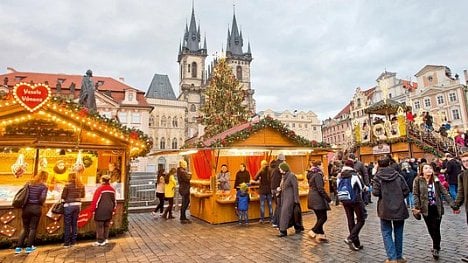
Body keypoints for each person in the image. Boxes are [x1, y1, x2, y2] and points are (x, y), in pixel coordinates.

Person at [413, 164, 456, 260]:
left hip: (436, 208)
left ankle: (436, 247)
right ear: (422, 171)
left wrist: (453, 205)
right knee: (430, 228)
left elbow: (444, 192)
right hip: (425, 208)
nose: (429, 170)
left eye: (430, 168)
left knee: (436, 228)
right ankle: (436, 244)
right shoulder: (418, 180)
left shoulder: (436, 180)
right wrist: (417, 207)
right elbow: (415, 194)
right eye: (426, 168)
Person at [372, 157, 409, 263]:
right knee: (398, 232)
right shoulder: (398, 175)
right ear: (389, 163)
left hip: (385, 208)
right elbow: (406, 190)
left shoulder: (377, 177)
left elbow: (375, 193)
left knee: (386, 232)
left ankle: (392, 258)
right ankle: (399, 256)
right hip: (399, 207)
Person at [15, 171, 48, 254]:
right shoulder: (43, 186)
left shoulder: (29, 183)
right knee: (33, 228)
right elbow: (42, 198)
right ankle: (29, 247)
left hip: (26, 208)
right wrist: (41, 203)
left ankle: (18, 247)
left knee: (25, 228)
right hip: (36, 208)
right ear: (45, 177)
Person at [338, 160, 366, 251]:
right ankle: (350, 238)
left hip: (344, 199)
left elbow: (337, 187)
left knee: (350, 220)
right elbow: (362, 188)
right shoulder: (354, 175)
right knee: (361, 219)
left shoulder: (340, 175)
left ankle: (356, 243)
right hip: (355, 200)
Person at [307, 160, 331, 242]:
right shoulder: (318, 175)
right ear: (318, 166)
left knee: (319, 218)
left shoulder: (311, 174)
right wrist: (328, 199)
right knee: (323, 217)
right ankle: (313, 231)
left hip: (312, 197)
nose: (323, 167)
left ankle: (321, 236)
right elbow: (320, 189)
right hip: (317, 199)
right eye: (322, 165)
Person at [277, 162, 302, 237]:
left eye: (280, 168)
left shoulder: (291, 176)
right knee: (289, 214)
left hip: (290, 198)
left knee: (285, 214)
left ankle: (283, 231)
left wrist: (296, 200)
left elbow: (295, 188)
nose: (279, 169)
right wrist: (279, 189)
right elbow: (282, 186)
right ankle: (297, 227)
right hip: (284, 198)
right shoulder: (283, 176)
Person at [90, 174, 116, 246]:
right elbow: (114, 201)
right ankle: (106, 239)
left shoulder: (100, 189)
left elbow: (96, 200)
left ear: (102, 181)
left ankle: (100, 241)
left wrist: (92, 210)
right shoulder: (112, 189)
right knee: (107, 225)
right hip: (109, 209)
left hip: (100, 209)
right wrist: (114, 209)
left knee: (100, 225)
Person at [61, 172, 85, 248]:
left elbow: (63, 196)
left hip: (69, 206)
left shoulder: (67, 186)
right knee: (74, 224)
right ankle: (74, 242)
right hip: (77, 206)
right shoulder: (81, 185)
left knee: (67, 224)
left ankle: (66, 243)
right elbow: (83, 195)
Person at [453, 152, 468, 262]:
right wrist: (456, 205)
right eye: (464, 161)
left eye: (467, 161)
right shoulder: (462, 175)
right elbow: (460, 192)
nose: (466, 163)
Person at [270, 154, 285, 227]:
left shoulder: (271, 166)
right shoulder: (281, 165)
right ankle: (277, 221)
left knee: (278, 205)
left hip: (272, 187)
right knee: (280, 205)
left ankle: (276, 221)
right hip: (278, 187)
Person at [177, 160, 192, 224]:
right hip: (184, 189)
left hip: (182, 188)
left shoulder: (179, 171)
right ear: (183, 165)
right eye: (185, 164)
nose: (186, 165)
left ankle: (183, 217)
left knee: (185, 202)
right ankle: (182, 218)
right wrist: (190, 175)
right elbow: (187, 179)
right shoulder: (182, 171)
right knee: (185, 202)